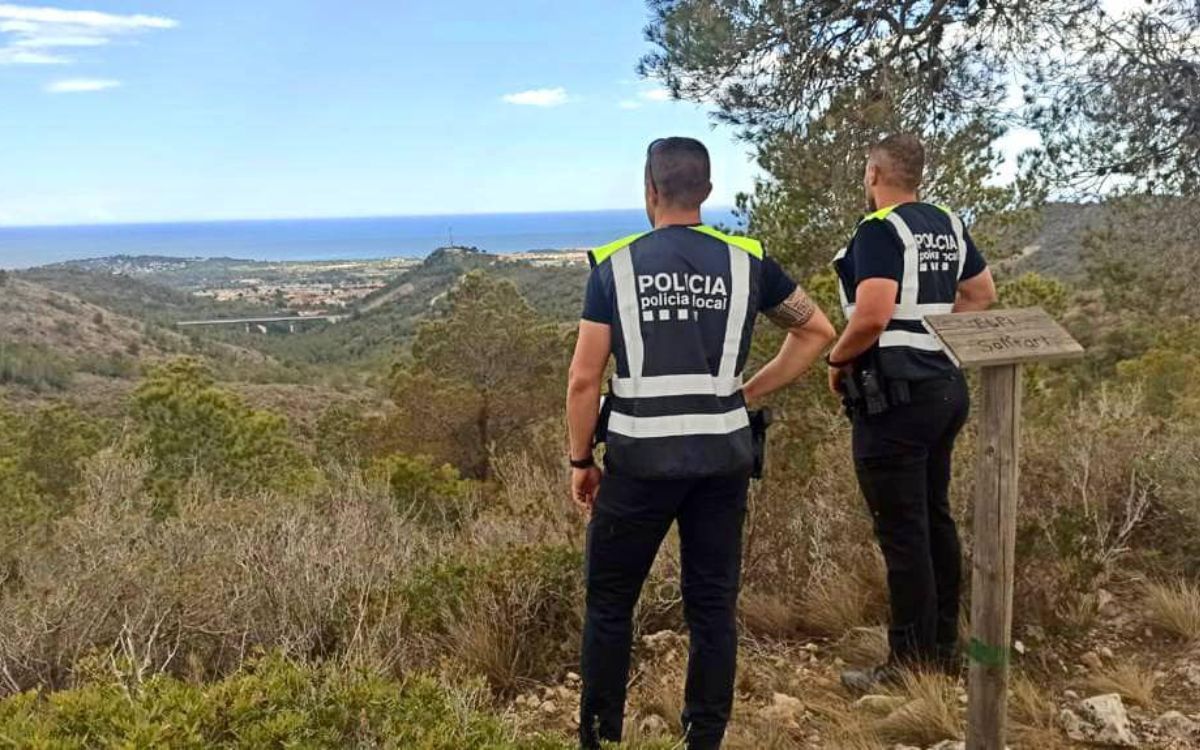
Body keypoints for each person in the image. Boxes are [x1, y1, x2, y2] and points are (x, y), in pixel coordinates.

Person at [566, 136, 835, 749]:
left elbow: (584, 380)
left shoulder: (614, 266)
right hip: (722, 461)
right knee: (712, 608)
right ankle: (703, 739)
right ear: (708, 193)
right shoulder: (748, 263)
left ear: (650, 190)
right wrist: (747, 393)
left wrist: (581, 460)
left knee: (610, 605)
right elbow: (816, 330)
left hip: (638, 463)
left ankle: (600, 739)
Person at [827, 133, 998, 692]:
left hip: (894, 396)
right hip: (945, 385)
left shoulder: (879, 230)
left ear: (875, 174)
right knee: (933, 517)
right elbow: (980, 294)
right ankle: (943, 647)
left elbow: (872, 315)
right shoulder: (948, 222)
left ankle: (907, 666)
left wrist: (837, 358)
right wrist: (932, 332)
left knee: (902, 531)